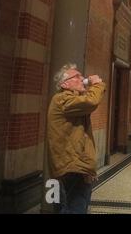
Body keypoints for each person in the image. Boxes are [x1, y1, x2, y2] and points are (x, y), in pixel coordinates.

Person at [47, 63, 106, 214]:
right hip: (72, 165)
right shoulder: (63, 99)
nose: (82, 79)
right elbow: (91, 101)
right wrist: (97, 84)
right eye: (77, 76)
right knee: (75, 207)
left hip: (76, 165)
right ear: (64, 84)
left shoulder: (71, 100)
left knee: (74, 205)